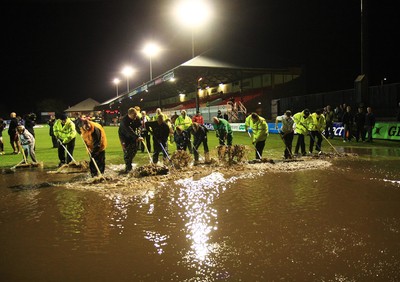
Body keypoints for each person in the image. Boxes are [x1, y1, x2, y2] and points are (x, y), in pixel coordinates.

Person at [118, 107, 143, 173]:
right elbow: (129, 131)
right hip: (124, 137)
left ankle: (129, 161)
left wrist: (139, 132)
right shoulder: (124, 121)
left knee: (134, 150)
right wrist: (137, 137)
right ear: (130, 114)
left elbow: (139, 126)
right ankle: (128, 168)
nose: (135, 117)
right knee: (127, 151)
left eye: (135, 115)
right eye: (134, 116)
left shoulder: (136, 118)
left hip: (133, 136)